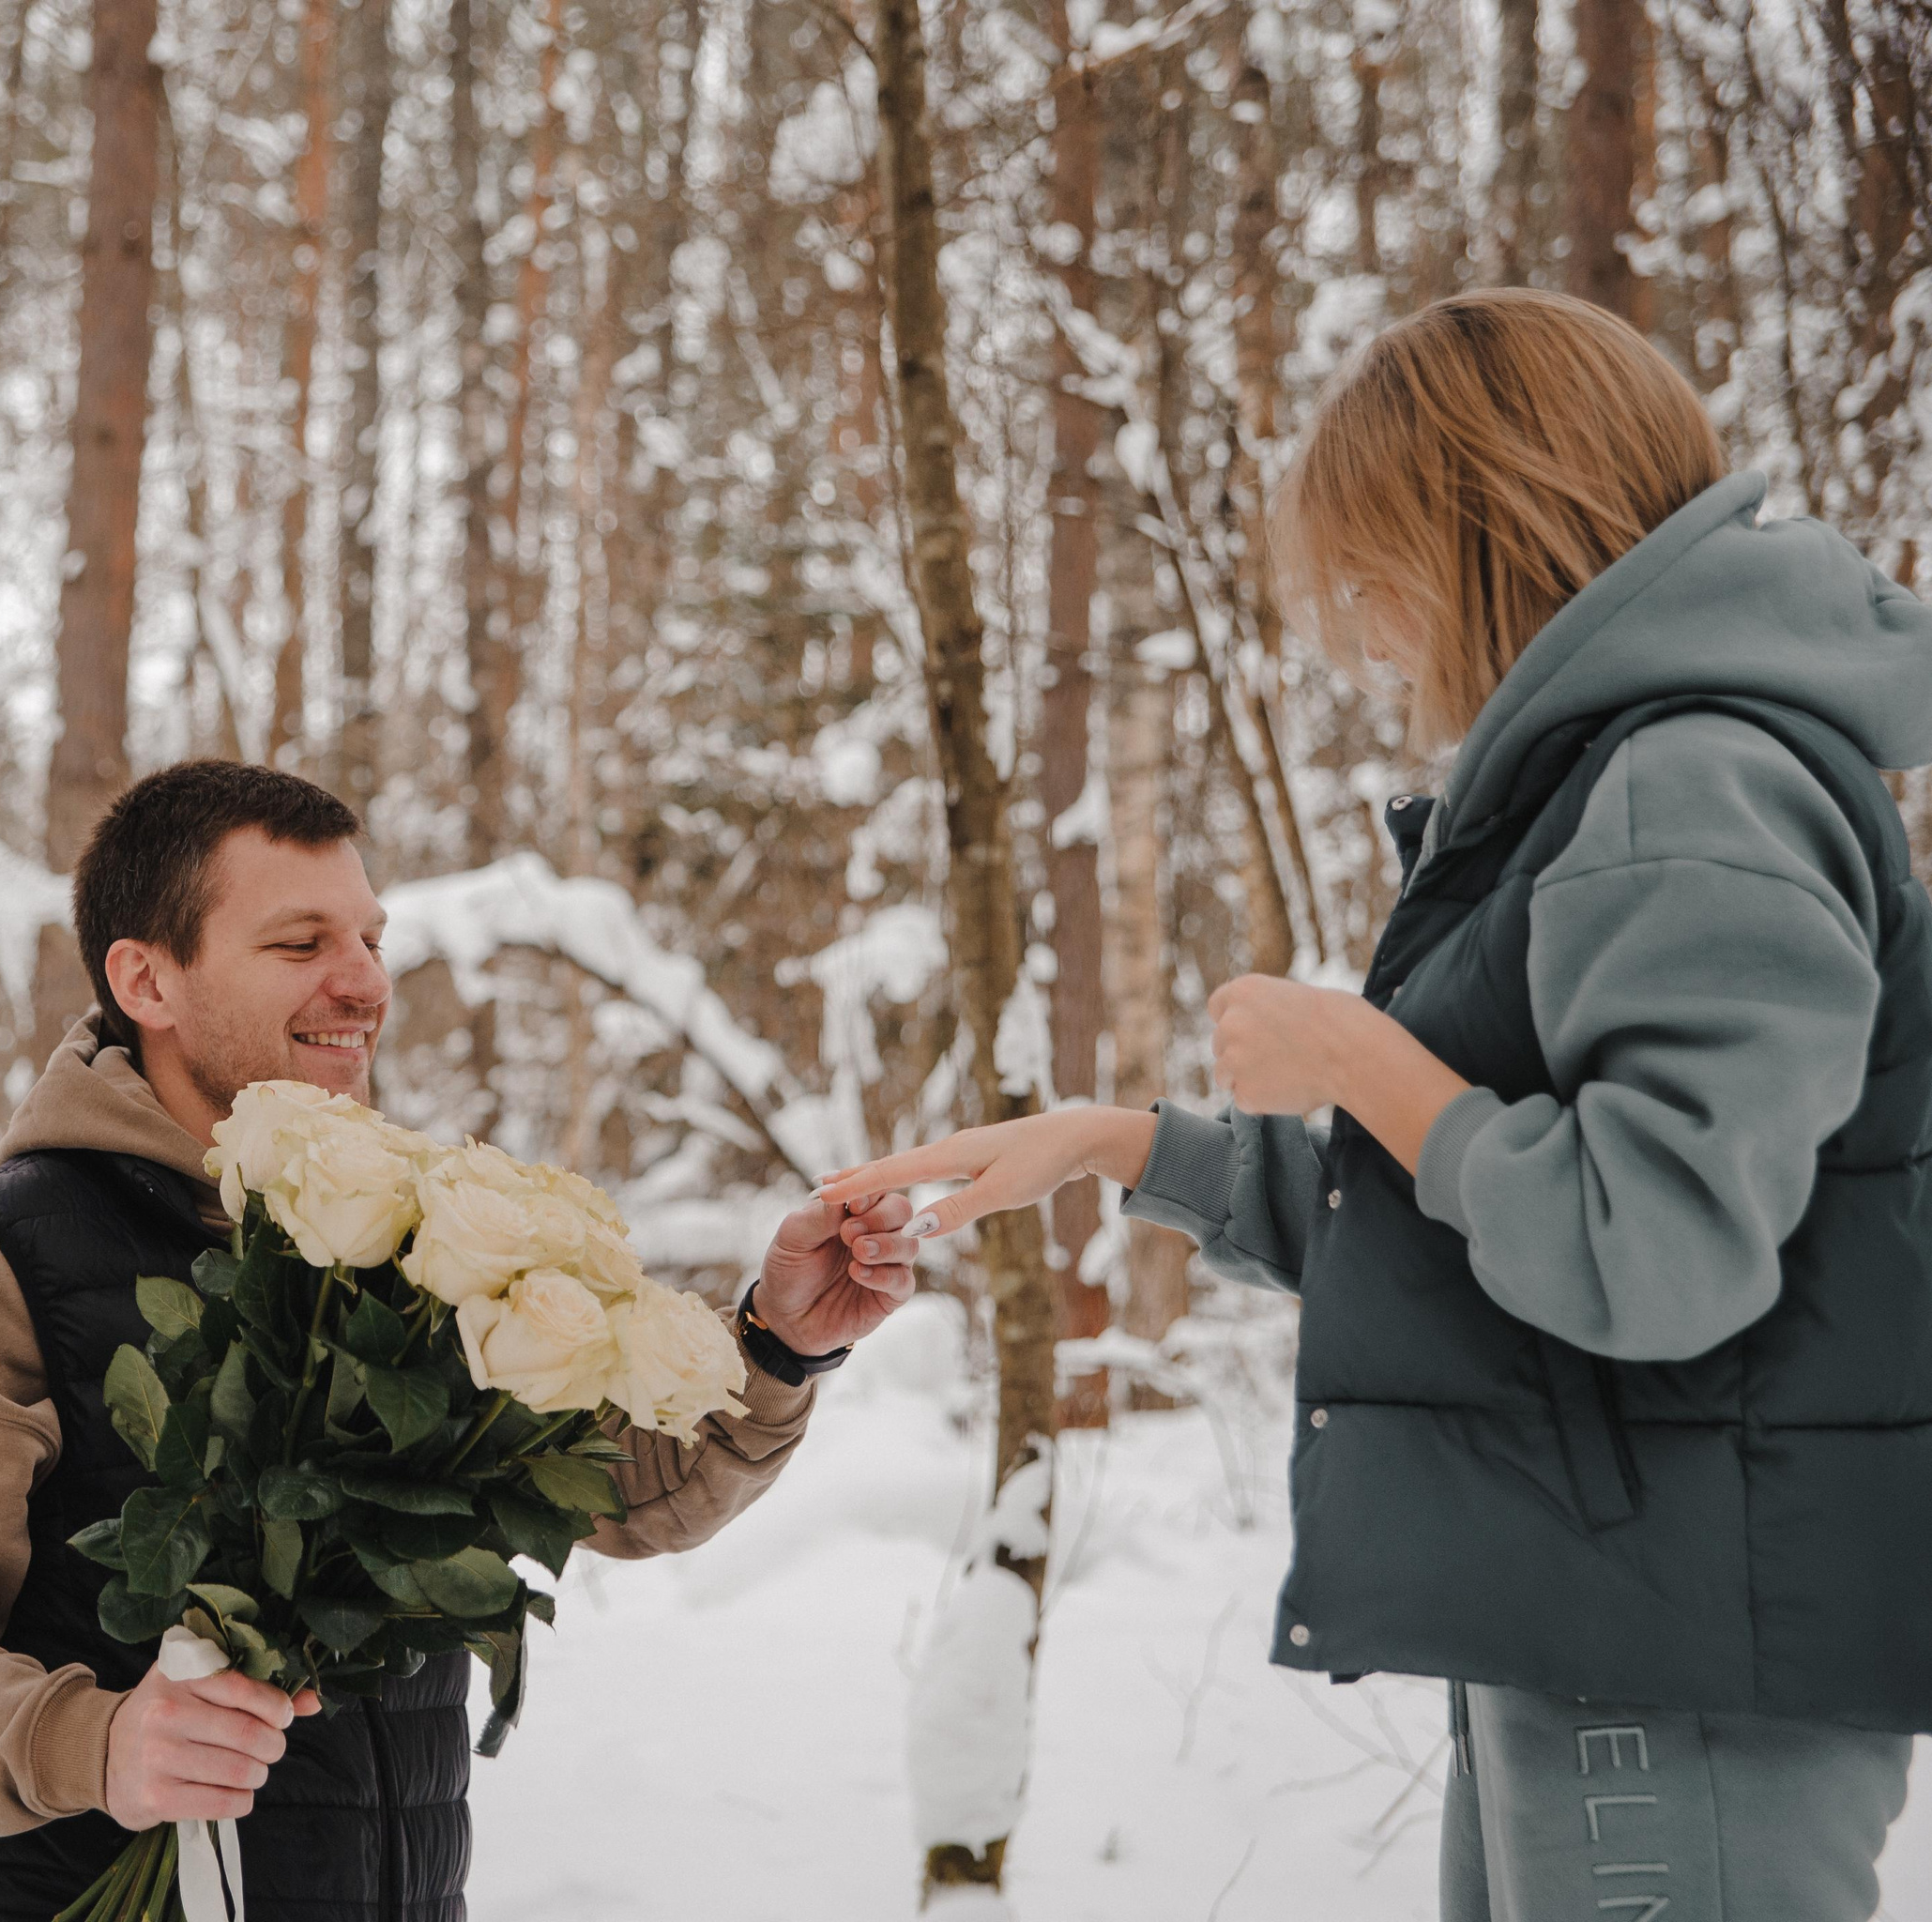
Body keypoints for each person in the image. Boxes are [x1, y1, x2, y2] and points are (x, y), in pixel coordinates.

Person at [819, 288, 1932, 1922]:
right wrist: (1116, 1143)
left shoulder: (1692, 780)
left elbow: (1655, 1253)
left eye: (1373, 562)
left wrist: (1358, 1057)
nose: (1363, 622)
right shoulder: (1635, 769)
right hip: (1628, 1601)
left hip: (1686, 1642)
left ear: (1486, 528)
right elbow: (1480, 1208)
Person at [0, 760, 923, 1922]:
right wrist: (92, 1739)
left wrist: (775, 1345)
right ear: (146, 978)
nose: (365, 980)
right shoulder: (4, 1257)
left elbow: (621, 1495)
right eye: (300, 942)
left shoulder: (409, 1236)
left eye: (370, 936)